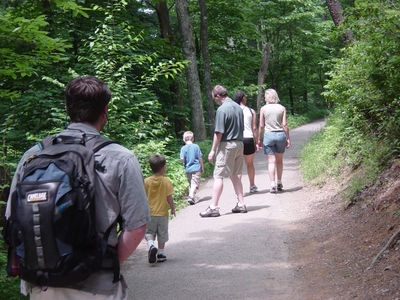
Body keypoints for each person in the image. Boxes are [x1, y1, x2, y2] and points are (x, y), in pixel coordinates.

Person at [5, 76, 150, 299]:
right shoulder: (121, 158)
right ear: (105, 110)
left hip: (40, 282)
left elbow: (12, 217)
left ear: (67, 109)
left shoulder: (32, 156)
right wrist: (98, 261)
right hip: (96, 285)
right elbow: (137, 227)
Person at [199, 85, 246, 217]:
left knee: (218, 176)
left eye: (214, 98)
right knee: (235, 175)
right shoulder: (238, 107)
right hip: (239, 144)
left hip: (227, 146)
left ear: (218, 96)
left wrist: (213, 150)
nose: (214, 100)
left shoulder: (222, 110)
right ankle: (241, 204)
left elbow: (219, 132)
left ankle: (213, 207)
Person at [257, 88, 291, 193]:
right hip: (280, 135)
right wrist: (288, 138)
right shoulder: (282, 108)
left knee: (271, 162)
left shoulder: (263, 109)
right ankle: (279, 182)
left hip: (269, 135)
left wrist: (259, 139)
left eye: (265, 96)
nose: (264, 97)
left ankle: (272, 185)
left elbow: (261, 126)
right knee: (279, 161)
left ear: (268, 97)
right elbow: (284, 125)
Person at [144, 154, 176, 263]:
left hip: (150, 213)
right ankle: (161, 253)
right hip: (162, 213)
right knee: (162, 233)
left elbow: (143, 197)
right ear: (163, 168)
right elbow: (169, 197)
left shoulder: (147, 181)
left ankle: (151, 245)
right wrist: (172, 208)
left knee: (149, 232)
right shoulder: (166, 181)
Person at [233, 91, 259, 193]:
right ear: (243, 98)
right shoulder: (251, 111)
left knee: (238, 166)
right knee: (249, 164)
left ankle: (238, 190)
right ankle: (252, 185)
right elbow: (254, 128)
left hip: (237, 139)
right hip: (248, 139)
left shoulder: (233, 110)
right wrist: (257, 142)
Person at [180, 131, 204, 205]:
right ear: (193, 139)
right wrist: (202, 167)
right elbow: (200, 158)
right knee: (195, 183)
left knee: (191, 183)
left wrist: (184, 162)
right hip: (196, 168)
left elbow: (182, 158)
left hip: (188, 168)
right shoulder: (196, 146)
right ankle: (190, 196)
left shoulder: (183, 148)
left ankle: (192, 197)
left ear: (184, 139)